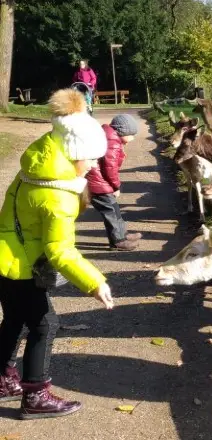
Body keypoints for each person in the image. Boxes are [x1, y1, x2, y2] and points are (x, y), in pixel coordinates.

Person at [0, 89, 115, 419]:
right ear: (74, 152)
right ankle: (36, 396)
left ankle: (3, 378)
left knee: (15, 319)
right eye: (91, 157)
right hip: (22, 267)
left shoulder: (33, 171)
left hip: (5, 258)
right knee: (45, 324)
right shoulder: (59, 196)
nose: (95, 163)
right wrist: (94, 283)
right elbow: (60, 250)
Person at [86, 114, 142, 251]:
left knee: (115, 208)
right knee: (110, 211)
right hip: (97, 183)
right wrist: (116, 186)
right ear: (122, 131)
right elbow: (110, 168)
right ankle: (117, 241)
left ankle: (122, 234)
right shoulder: (112, 142)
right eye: (131, 135)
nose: (133, 138)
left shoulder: (111, 138)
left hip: (100, 181)